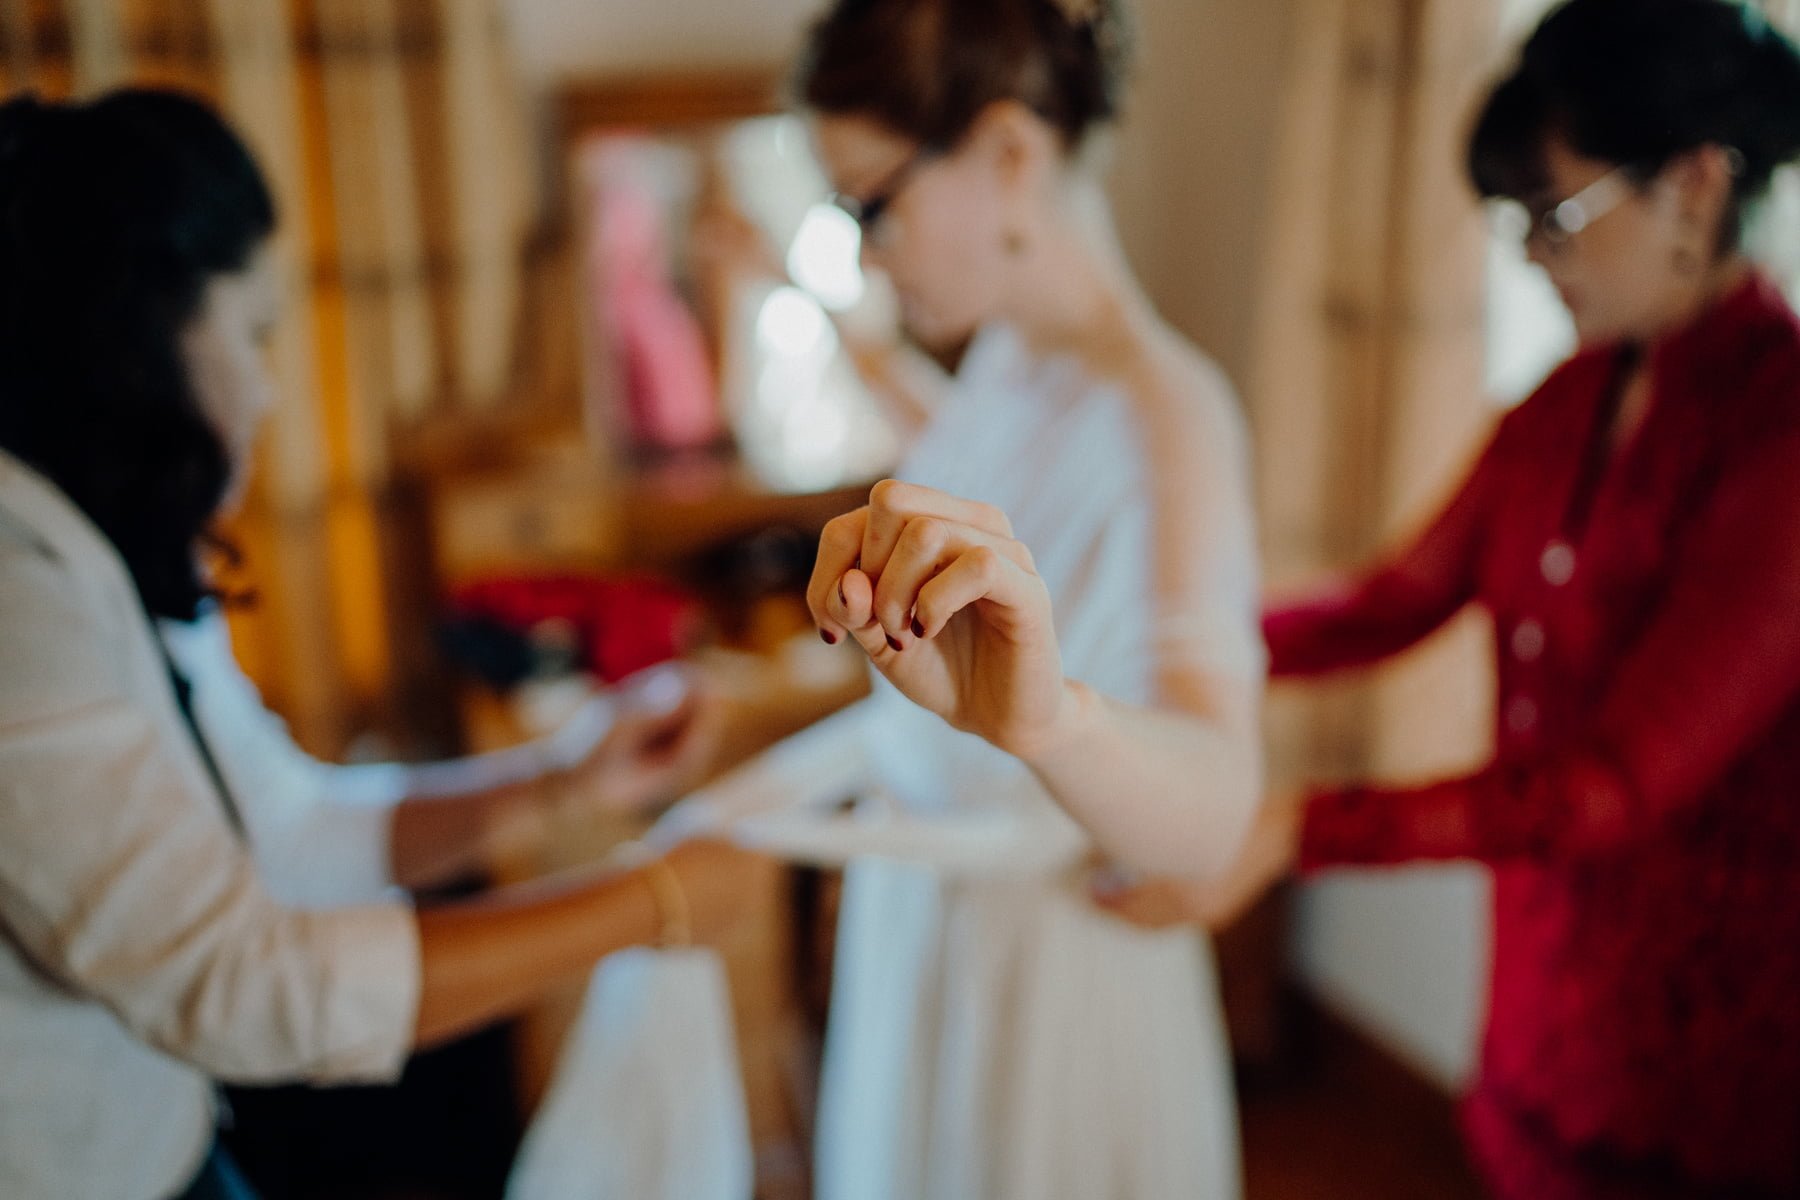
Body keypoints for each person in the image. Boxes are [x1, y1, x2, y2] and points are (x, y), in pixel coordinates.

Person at [810, 1, 1800, 1196]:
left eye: (1558, 214)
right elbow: (1390, 604)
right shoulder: (1560, 409)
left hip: (1709, 999)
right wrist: (1169, 641)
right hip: (1543, 968)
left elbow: (1616, 783)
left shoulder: (1780, 441)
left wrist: (1284, 822)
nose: (1533, 256)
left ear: (1695, 185)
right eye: (1521, 222)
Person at [0, 88, 766, 1200]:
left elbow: (285, 826)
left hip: (173, 1138)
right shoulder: (24, 612)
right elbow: (243, 985)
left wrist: (563, 776)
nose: (267, 391)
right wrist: (654, 904)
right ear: (140, 334)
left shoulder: (108, 545)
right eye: (254, 334)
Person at [687, 1, 1266, 1196]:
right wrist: (783, 295)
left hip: (1052, 978)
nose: (868, 249)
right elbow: (971, 448)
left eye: (869, 205)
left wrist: (1049, 720)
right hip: (930, 939)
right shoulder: (1008, 361)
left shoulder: (1171, 414)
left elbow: (1216, 803)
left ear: (1007, 156)